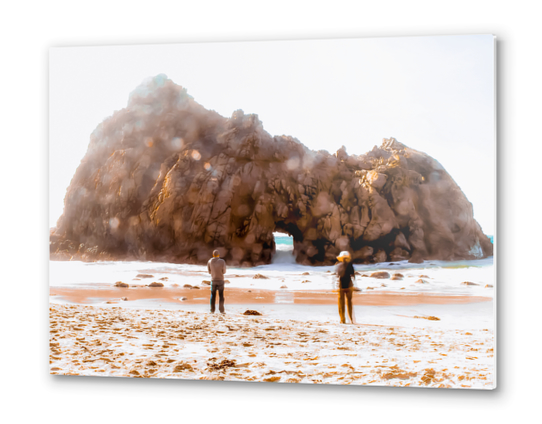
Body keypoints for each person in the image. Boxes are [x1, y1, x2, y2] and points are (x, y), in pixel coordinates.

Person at [335, 251, 356, 324]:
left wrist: (335, 286)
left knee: (341, 304)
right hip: (349, 286)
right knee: (349, 303)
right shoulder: (350, 265)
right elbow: (353, 276)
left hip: (341, 286)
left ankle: (342, 319)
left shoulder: (338, 265)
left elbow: (337, 276)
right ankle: (351, 319)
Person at [207, 250, 227, 314]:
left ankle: (212, 310)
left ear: (213, 255)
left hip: (213, 280)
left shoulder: (209, 261)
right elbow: (224, 272)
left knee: (213, 295)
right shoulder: (222, 261)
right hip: (220, 280)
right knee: (221, 295)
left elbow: (209, 272)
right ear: (219, 255)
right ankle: (222, 310)